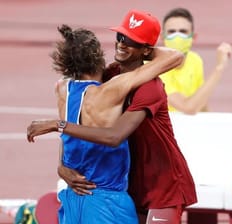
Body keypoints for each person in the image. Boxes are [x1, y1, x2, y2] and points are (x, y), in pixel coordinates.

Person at [27, 9, 197, 224]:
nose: (122, 44)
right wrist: (62, 165)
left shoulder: (149, 87)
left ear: (147, 49)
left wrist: (58, 125)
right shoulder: (110, 76)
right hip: (129, 182)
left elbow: (114, 136)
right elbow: (74, 116)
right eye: (120, 36)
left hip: (161, 186)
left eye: (131, 41)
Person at [160, 7, 232, 114]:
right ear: (162, 37)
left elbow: (201, 101)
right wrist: (219, 67)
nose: (177, 37)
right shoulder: (155, 68)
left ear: (193, 37)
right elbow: (188, 108)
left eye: (183, 31)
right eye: (171, 32)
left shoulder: (195, 60)